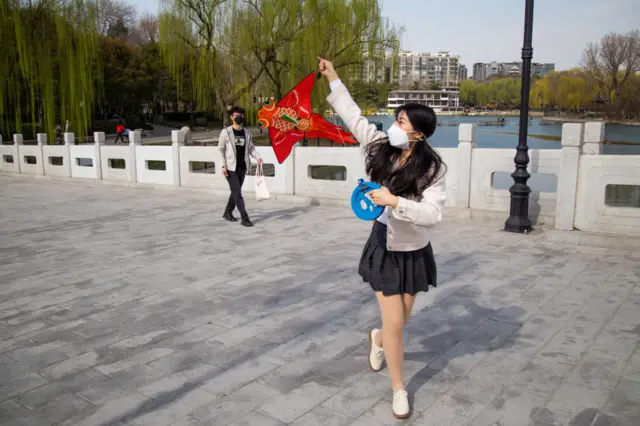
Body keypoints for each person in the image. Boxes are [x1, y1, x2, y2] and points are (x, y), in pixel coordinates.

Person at [318, 56, 447, 419]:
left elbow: (434, 214)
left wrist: (396, 201)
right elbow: (353, 117)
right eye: (396, 119)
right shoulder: (380, 146)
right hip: (384, 248)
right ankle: (399, 388)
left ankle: (376, 340)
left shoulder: (434, 168)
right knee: (395, 323)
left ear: (418, 132)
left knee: (400, 320)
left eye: (401, 122)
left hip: (415, 250)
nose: (394, 126)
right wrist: (334, 80)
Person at [218, 106, 262, 227]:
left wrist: (257, 157)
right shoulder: (226, 132)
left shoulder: (247, 132)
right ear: (232, 117)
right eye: (236, 115)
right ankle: (245, 217)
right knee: (237, 192)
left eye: (241, 116)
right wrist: (223, 166)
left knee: (235, 191)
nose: (239, 118)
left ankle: (227, 212)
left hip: (242, 167)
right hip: (230, 168)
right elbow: (221, 150)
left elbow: (251, 148)